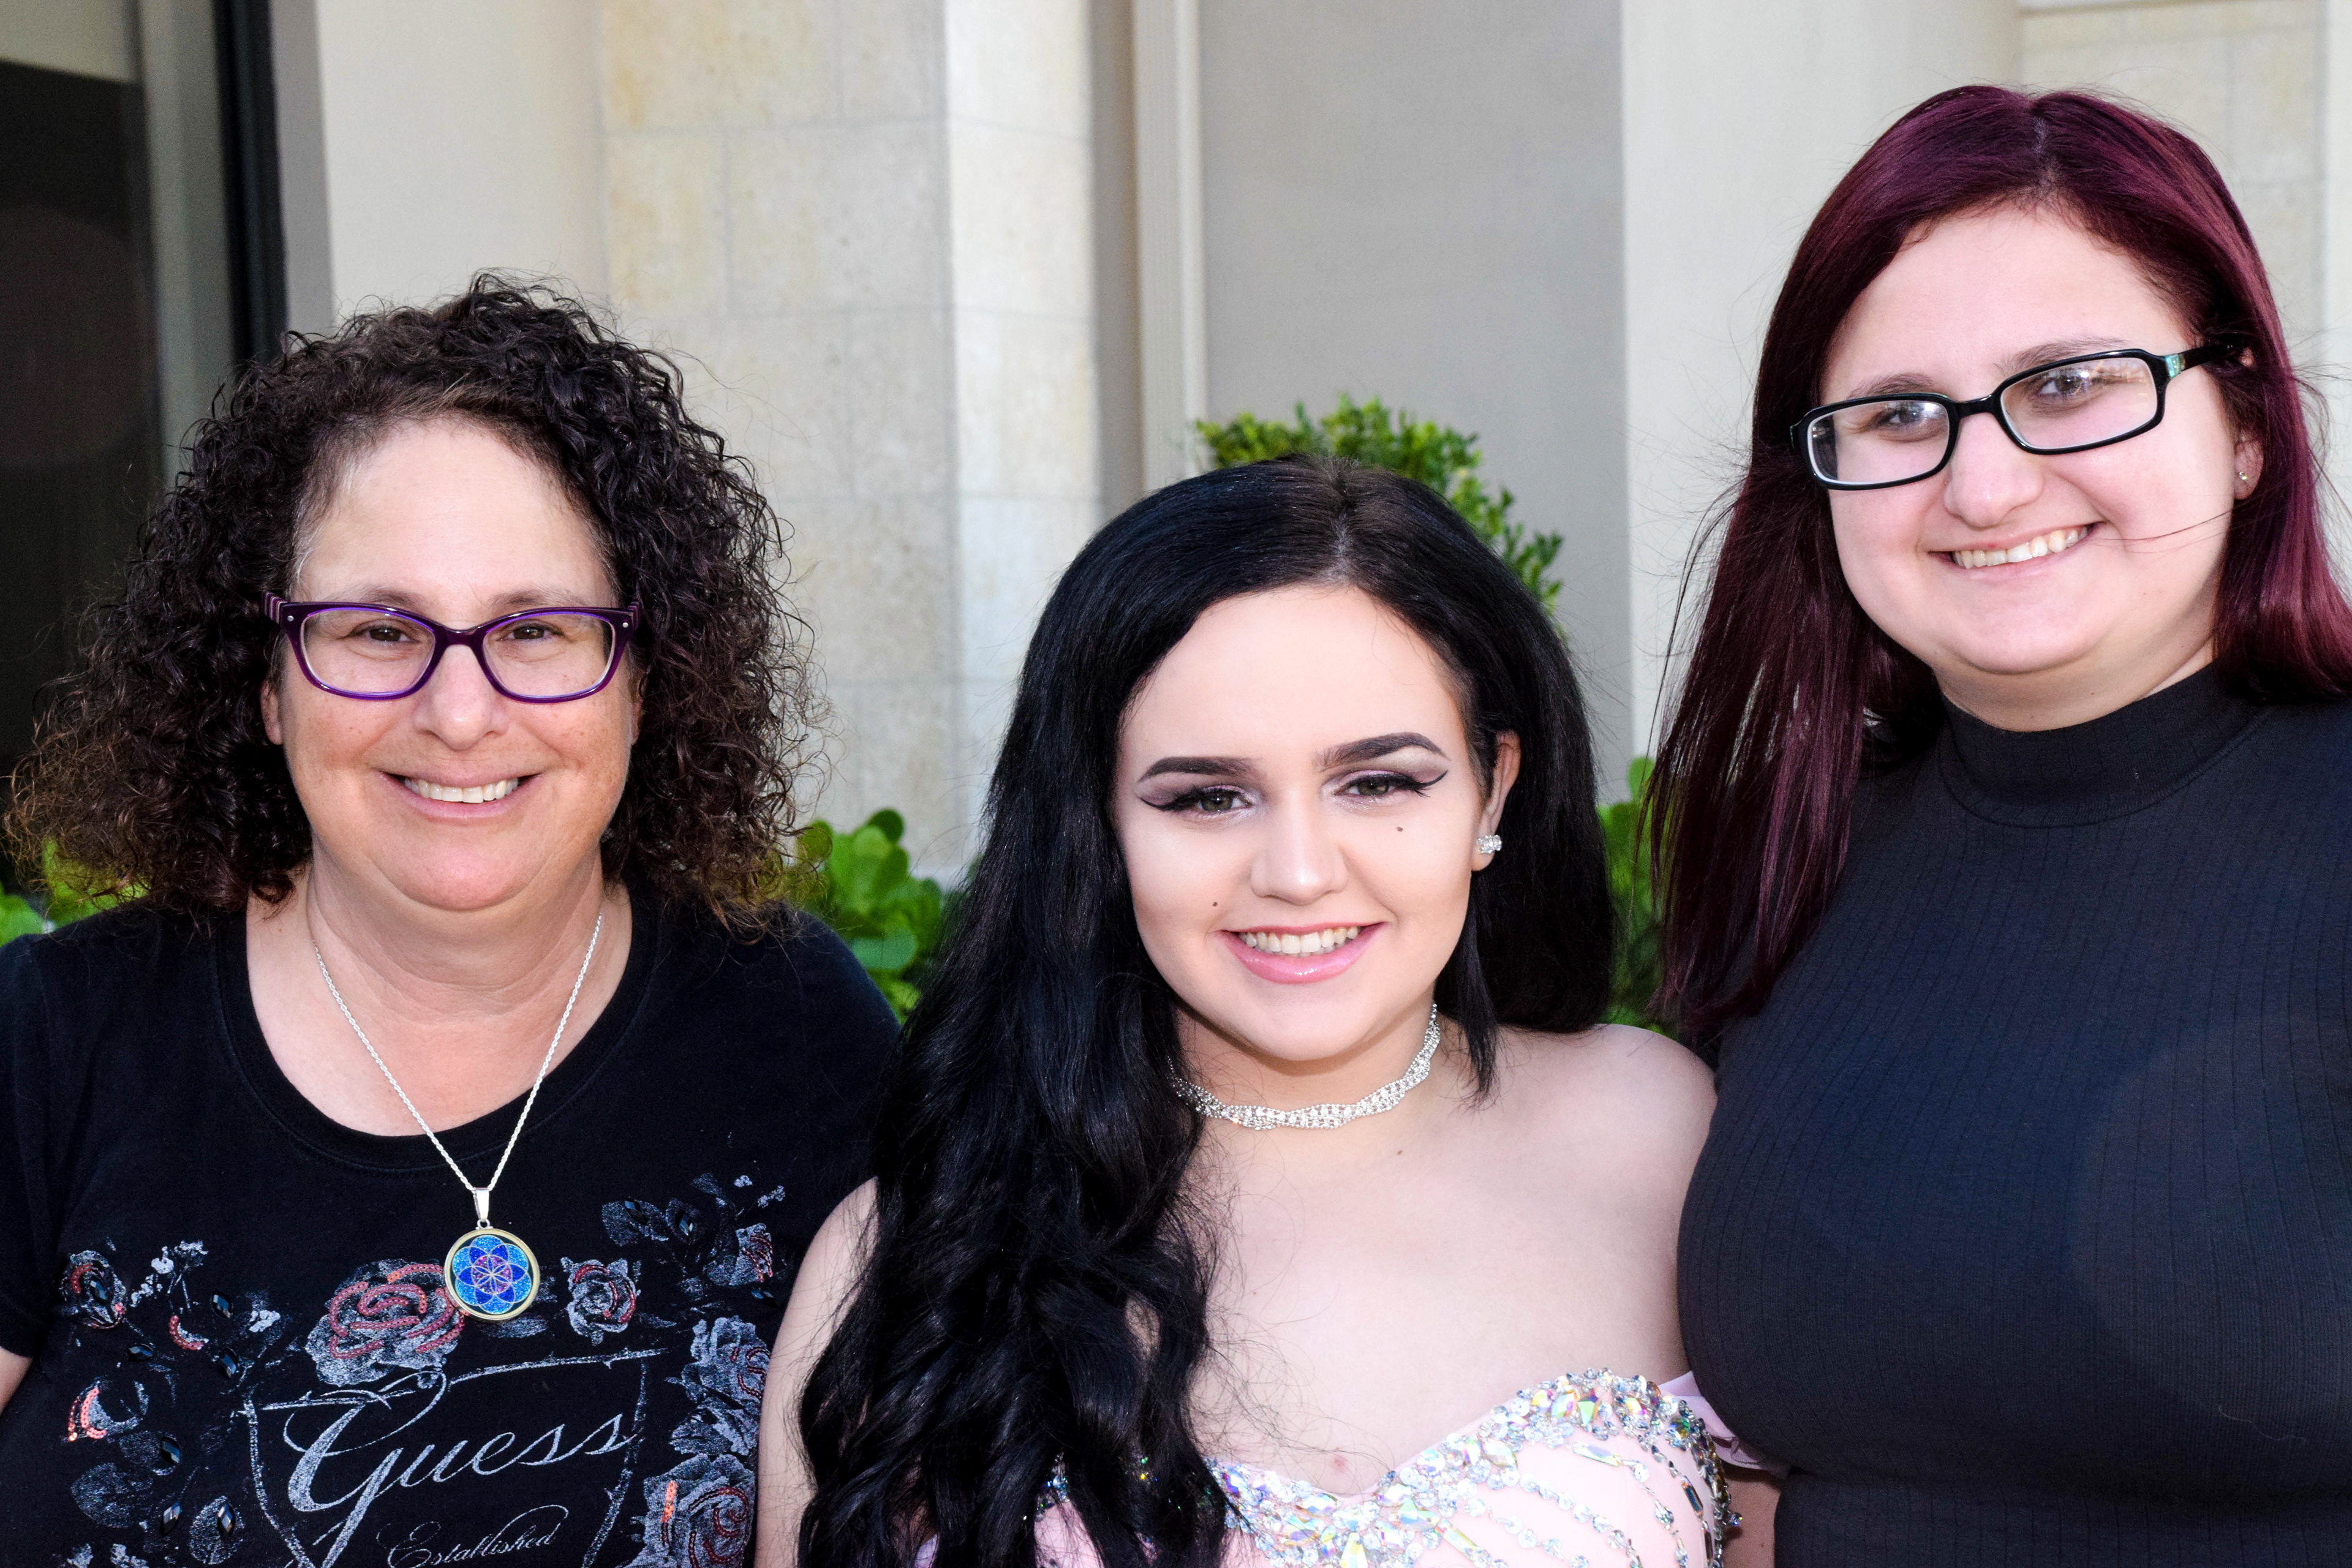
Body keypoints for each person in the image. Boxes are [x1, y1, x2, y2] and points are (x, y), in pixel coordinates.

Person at [0, 281, 895, 1564]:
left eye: (537, 630)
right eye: (378, 629)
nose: (461, 712)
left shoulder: (792, 1025)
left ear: (644, 682)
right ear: (266, 684)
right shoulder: (60, 1041)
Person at [756, 456, 1749, 1568]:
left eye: (1378, 782)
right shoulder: (915, 1257)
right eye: (1209, 797)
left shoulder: (1663, 1137)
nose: (1299, 872)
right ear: (1098, 824)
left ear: (1494, 788)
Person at [1659, 85, 2352, 1562]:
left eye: (2072, 383)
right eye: (1899, 414)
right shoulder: (1797, 843)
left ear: (2245, 423)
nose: (1982, 482)